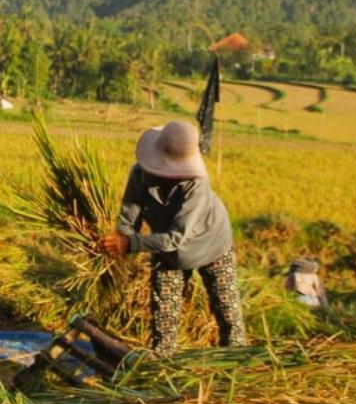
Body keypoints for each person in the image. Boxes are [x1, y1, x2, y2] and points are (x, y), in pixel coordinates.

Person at [96, 121, 247, 356]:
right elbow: (129, 217)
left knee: (228, 313)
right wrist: (117, 244)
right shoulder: (140, 174)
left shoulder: (196, 185)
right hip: (167, 252)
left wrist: (131, 244)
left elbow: (176, 238)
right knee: (164, 319)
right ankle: (164, 369)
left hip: (212, 245)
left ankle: (235, 364)